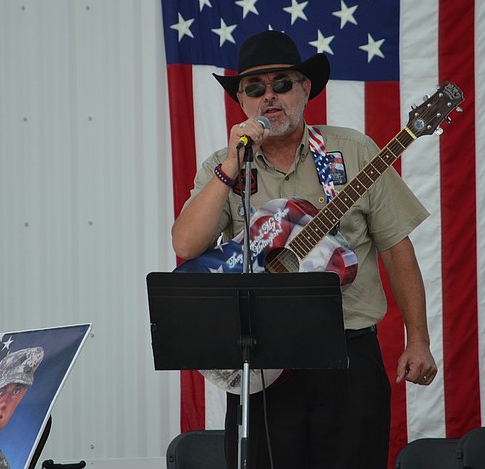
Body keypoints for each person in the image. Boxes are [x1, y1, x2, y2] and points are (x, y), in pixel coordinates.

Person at [172, 30, 438, 469]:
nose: (269, 97)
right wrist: (231, 165)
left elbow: (397, 249)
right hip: (262, 360)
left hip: (347, 352)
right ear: (241, 100)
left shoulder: (354, 151)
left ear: (305, 89)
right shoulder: (223, 165)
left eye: (282, 84)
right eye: (254, 88)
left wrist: (419, 340)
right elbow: (185, 244)